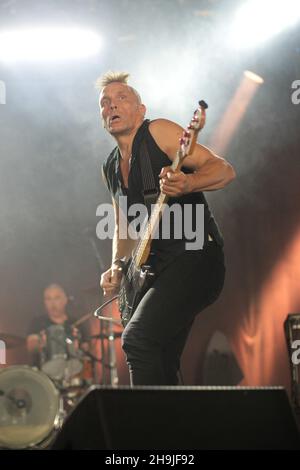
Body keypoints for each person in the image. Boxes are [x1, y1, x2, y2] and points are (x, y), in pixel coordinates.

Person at [98, 71, 236, 386]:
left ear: (141, 110)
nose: (112, 106)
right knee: (159, 358)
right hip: (156, 269)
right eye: (105, 103)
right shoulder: (109, 166)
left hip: (196, 257)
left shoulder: (158, 131)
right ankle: (175, 431)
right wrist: (117, 267)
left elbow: (224, 170)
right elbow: (124, 225)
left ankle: (148, 432)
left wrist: (189, 181)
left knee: (137, 340)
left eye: (122, 98)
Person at [27, 283, 88, 368]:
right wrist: (41, 343)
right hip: (43, 373)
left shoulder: (76, 323)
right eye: (48, 299)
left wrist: (77, 346)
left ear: (65, 300)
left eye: (57, 298)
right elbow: (31, 347)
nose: (53, 303)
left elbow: (86, 349)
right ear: (44, 302)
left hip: (72, 371)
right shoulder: (38, 323)